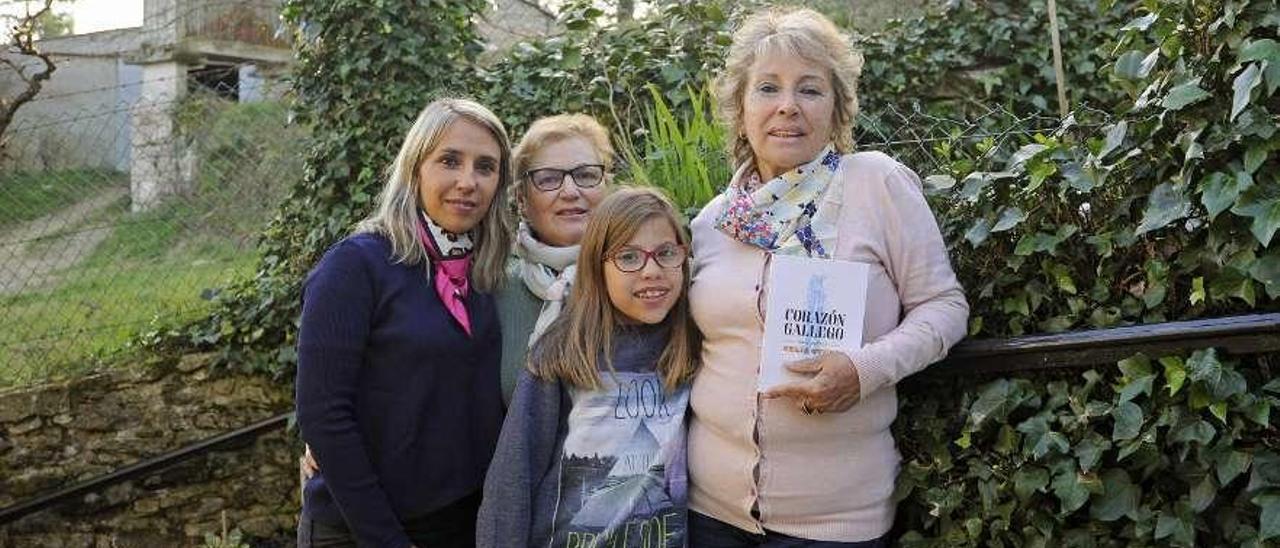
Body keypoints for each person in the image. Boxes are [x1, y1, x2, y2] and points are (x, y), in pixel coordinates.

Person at [686, 7, 970, 547]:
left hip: (834, 522)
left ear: (837, 108)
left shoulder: (875, 184)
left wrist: (865, 369)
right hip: (710, 512)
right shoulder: (713, 221)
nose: (787, 106)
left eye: (810, 90)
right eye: (767, 88)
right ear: (741, 108)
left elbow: (944, 306)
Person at [294, 98, 513, 548]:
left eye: (485, 167)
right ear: (415, 168)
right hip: (361, 529)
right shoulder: (357, 266)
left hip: (460, 523)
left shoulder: (490, 270)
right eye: (449, 161)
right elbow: (323, 412)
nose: (467, 182)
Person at [477, 188, 702, 548]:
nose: (651, 271)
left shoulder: (690, 345)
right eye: (628, 257)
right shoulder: (564, 350)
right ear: (598, 266)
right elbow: (514, 473)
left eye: (666, 253)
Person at [496, 113, 616, 404]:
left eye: (586, 175)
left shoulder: (647, 277)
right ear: (522, 200)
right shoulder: (494, 292)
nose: (571, 191)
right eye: (549, 178)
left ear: (607, 186)